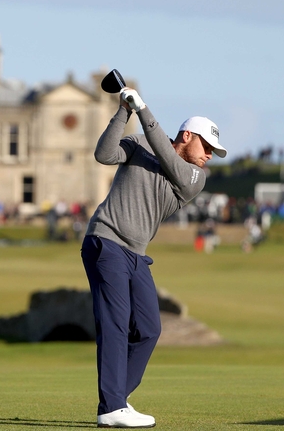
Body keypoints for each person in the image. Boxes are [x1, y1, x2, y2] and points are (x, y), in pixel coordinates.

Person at [81, 87, 226, 428]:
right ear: (186, 135)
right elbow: (104, 155)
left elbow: (165, 153)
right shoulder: (140, 144)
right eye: (206, 146)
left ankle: (116, 398)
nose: (208, 155)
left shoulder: (195, 178)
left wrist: (143, 110)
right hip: (106, 241)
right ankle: (112, 405)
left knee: (148, 328)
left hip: (136, 253)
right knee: (116, 324)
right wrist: (123, 112)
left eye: (212, 152)